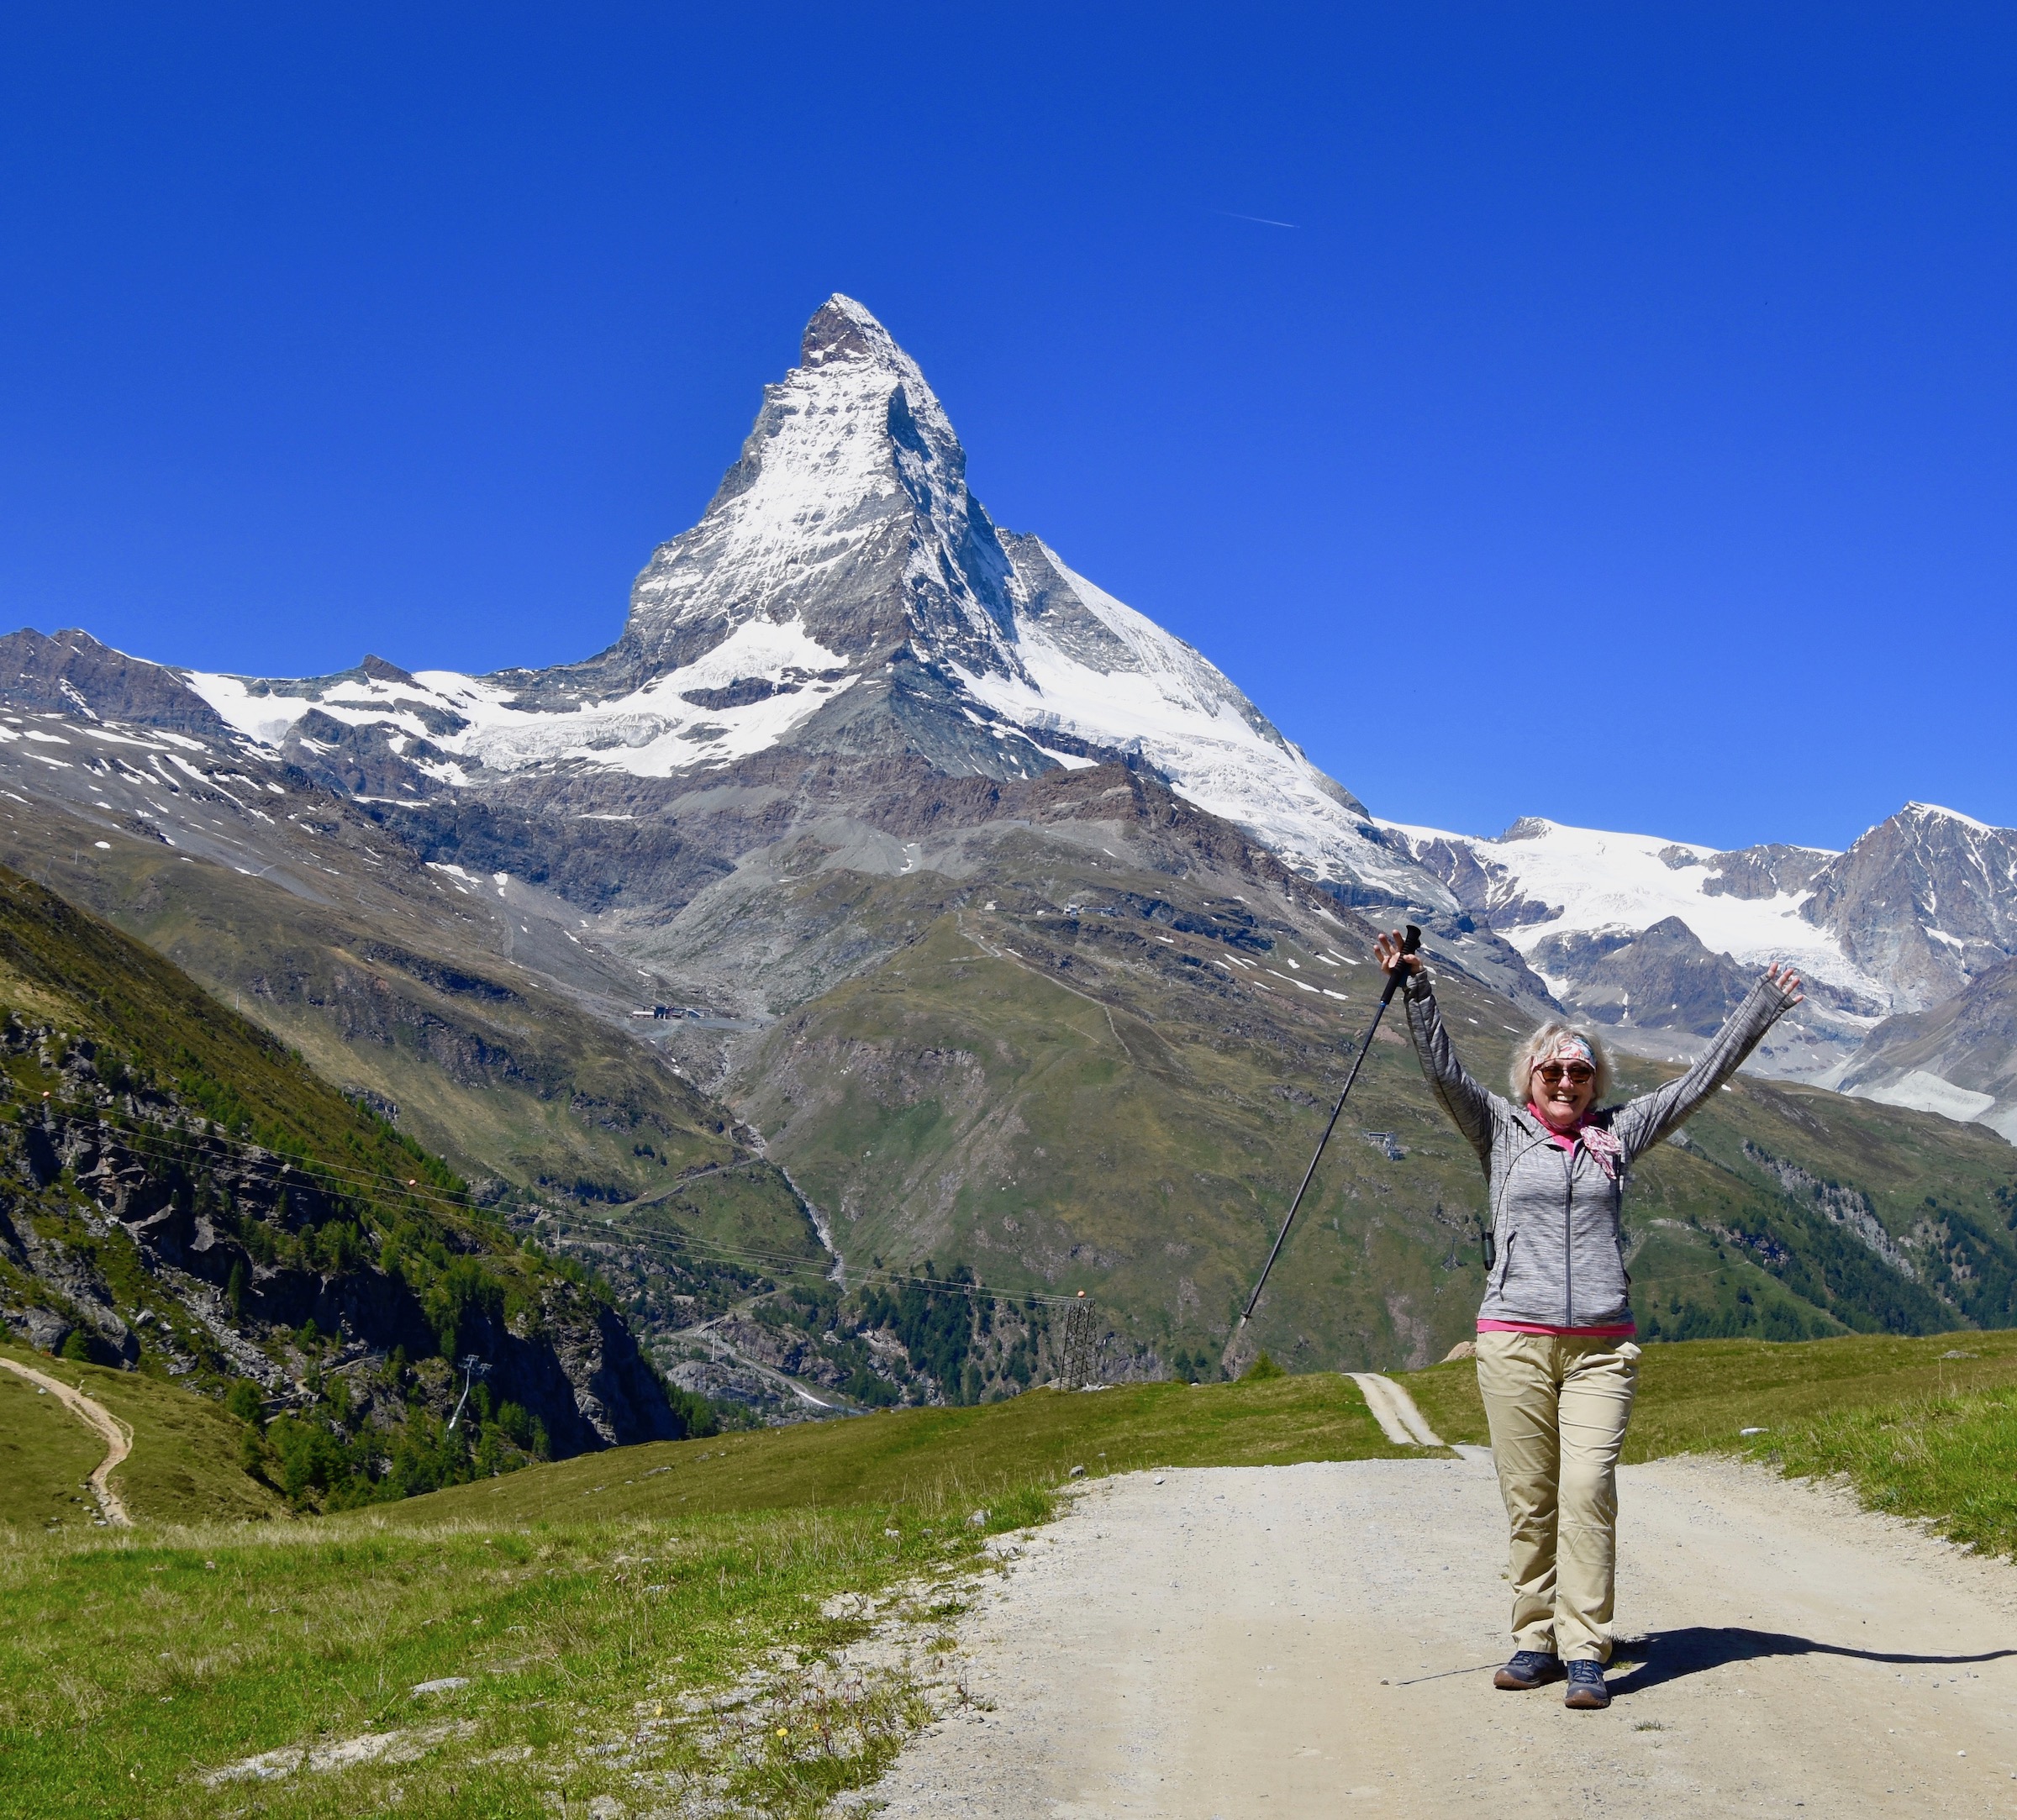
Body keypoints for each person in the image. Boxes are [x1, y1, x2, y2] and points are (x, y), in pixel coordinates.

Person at [1375, 928, 1802, 1711]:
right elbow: (1442, 1071)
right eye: (1554, 1069)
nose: (1568, 1079)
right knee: (1530, 1498)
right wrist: (1416, 987)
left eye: (1580, 1070)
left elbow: (1698, 1083)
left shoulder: (1618, 1134)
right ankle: (1532, 1640)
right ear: (1530, 1079)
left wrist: (1761, 1007)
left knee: (1587, 1490)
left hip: (1603, 1348)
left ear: (1594, 1080)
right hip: (1514, 1341)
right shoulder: (1498, 1130)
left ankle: (1584, 1647)